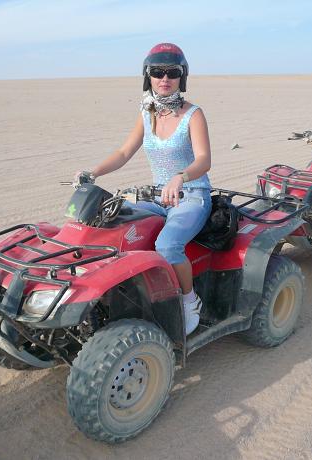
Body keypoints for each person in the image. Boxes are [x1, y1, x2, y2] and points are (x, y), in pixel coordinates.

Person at [76, 43, 212, 335]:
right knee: (111, 224)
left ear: (182, 76)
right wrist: (93, 172)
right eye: (158, 72)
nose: (165, 79)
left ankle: (189, 300)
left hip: (190, 196)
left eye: (172, 72)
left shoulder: (193, 114)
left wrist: (181, 177)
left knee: (168, 246)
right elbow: (124, 152)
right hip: (155, 197)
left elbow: (204, 160)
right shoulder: (146, 113)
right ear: (147, 75)